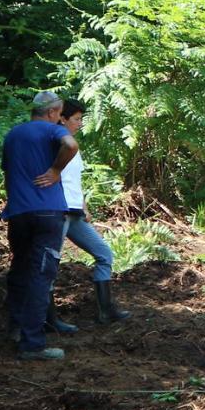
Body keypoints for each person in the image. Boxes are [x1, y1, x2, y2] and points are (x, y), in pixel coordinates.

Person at [2, 91, 78, 360]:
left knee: (20, 268)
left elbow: (7, 172)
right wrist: (56, 170)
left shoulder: (13, 135)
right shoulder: (50, 130)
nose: (60, 118)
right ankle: (32, 343)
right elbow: (70, 144)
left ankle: (15, 328)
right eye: (59, 114)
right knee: (40, 274)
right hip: (47, 213)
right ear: (52, 112)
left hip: (18, 212)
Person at [59, 99, 130, 324]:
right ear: (62, 119)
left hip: (75, 212)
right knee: (48, 264)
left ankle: (106, 311)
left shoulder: (73, 146)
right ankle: (47, 318)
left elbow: (73, 181)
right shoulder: (54, 144)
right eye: (76, 119)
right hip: (58, 211)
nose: (80, 123)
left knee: (104, 254)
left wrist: (84, 206)